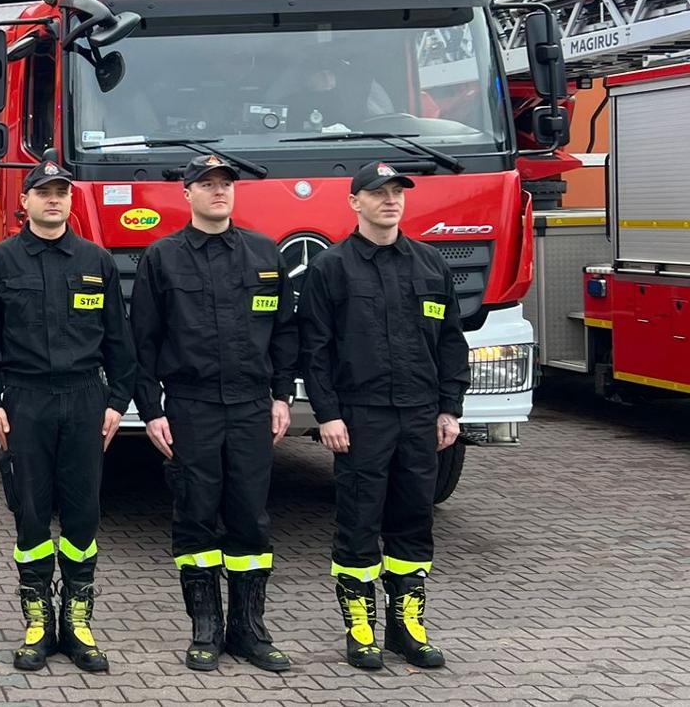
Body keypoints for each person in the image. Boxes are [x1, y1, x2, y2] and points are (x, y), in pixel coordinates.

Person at [129, 155, 297, 672]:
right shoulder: (162, 258)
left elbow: (286, 332)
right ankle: (205, 630)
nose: (218, 192)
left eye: (225, 184)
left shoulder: (265, 254)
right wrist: (152, 410)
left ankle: (249, 631)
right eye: (207, 185)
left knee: (251, 516)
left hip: (251, 406)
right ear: (188, 195)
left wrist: (281, 395)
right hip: (191, 406)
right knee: (196, 515)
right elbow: (144, 342)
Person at [300, 161, 470, 670]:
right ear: (355, 203)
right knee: (358, 519)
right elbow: (316, 350)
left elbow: (450, 343)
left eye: (397, 192)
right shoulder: (331, 268)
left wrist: (449, 408)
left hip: (420, 418)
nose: (390, 200)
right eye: (378, 193)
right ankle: (360, 627)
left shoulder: (430, 265)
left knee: (414, 521)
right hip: (361, 418)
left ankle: (407, 626)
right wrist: (327, 415)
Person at [0, 162, 135, 674]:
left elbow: (117, 340)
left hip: (85, 398)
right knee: (32, 515)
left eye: (61, 192)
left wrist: (116, 402)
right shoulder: (0, 262)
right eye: (44, 193)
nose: (54, 200)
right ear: (26, 203)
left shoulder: (96, 261)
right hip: (26, 400)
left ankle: (78, 625)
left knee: (83, 514)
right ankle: (38, 626)